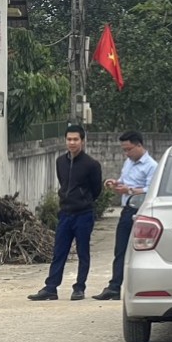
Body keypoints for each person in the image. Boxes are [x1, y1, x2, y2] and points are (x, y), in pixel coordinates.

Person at [28, 123, 103, 301]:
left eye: (75, 139)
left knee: (83, 252)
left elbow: (96, 190)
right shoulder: (60, 161)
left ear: (82, 141)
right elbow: (63, 183)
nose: (72, 143)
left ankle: (79, 287)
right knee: (59, 251)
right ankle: (51, 288)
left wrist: (83, 200)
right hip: (65, 214)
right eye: (69, 139)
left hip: (83, 214)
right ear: (65, 141)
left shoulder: (91, 164)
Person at [93, 130, 159, 300]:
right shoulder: (129, 162)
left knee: (142, 251)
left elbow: (150, 190)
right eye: (124, 150)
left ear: (139, 145)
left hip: (141, 211)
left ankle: (144, 287)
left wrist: (129, 190)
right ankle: (114, 287)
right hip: (127, 209)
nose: (126, 153)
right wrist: (115, 183)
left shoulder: (151, 166)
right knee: (120, 249)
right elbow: (124, 181)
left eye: (129, 149)